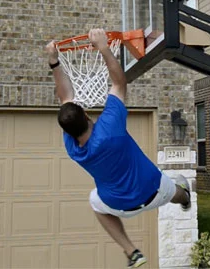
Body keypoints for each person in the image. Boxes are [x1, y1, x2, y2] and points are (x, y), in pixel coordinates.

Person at [45, 28, 192, 268]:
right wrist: (103, 47)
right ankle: (185, 197)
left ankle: (132, 251)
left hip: (118, 206)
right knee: (175, 191)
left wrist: (54, 63)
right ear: (86, 115)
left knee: (94, 201)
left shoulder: (73, 148)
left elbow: (66, 98)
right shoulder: (110, 127)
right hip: (154, 189)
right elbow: (119, 83)